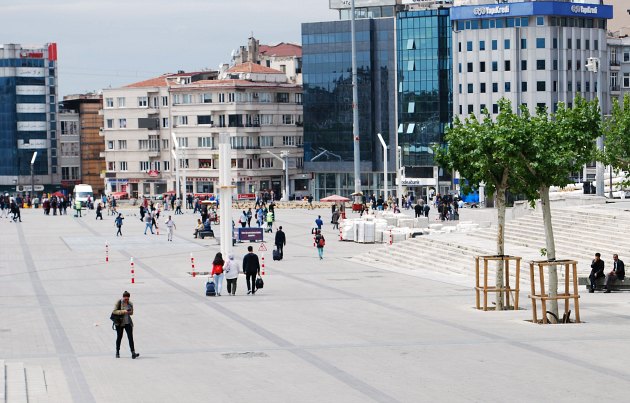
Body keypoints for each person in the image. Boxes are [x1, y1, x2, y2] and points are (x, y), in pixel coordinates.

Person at [112, 291, 139, 359]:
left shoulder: (130, 303)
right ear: (123, 297)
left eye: (128, 299)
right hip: (120, 323)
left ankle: (133, 353)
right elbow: (114, 311)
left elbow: (131, 313)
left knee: (130, 337)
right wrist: (124, 311)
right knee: (119, 337)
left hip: (128, 323)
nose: (126, 300)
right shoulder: (119, 302)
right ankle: (117, 352)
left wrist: (130, 311)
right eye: (125, 299)